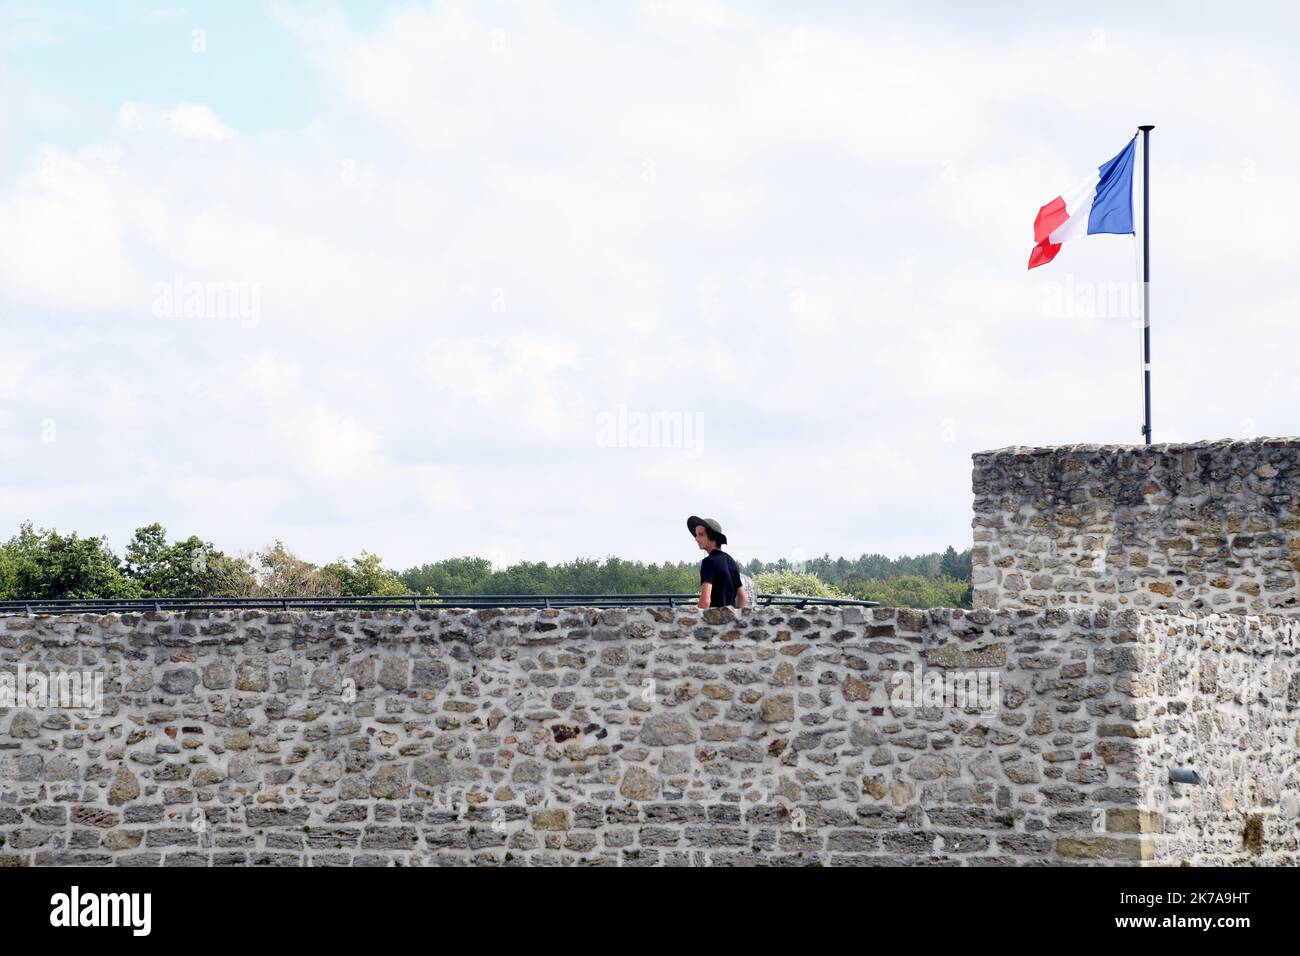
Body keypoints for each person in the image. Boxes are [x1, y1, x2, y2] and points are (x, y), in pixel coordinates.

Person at [687, 515, 748, 609]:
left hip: (713, 622)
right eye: (696, 535)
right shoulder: (731, 561)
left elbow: (705, 601)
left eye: (701, 534)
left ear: (712, 535)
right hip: (730, 621)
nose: (696, 539)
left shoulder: (709, 562)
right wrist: (734, 616)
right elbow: (743, 598)